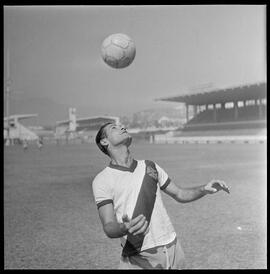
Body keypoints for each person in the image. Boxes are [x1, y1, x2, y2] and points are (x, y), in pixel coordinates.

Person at [92, 122, 230, 269]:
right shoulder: (102, 180)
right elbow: (108, 225)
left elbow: (179, 193)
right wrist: (124, 228)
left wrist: (204, 189)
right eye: (114, 128)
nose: (122, 127)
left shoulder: (150, 166)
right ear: (104, 141)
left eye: (122, 126)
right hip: (138, 257)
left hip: (173, 249)